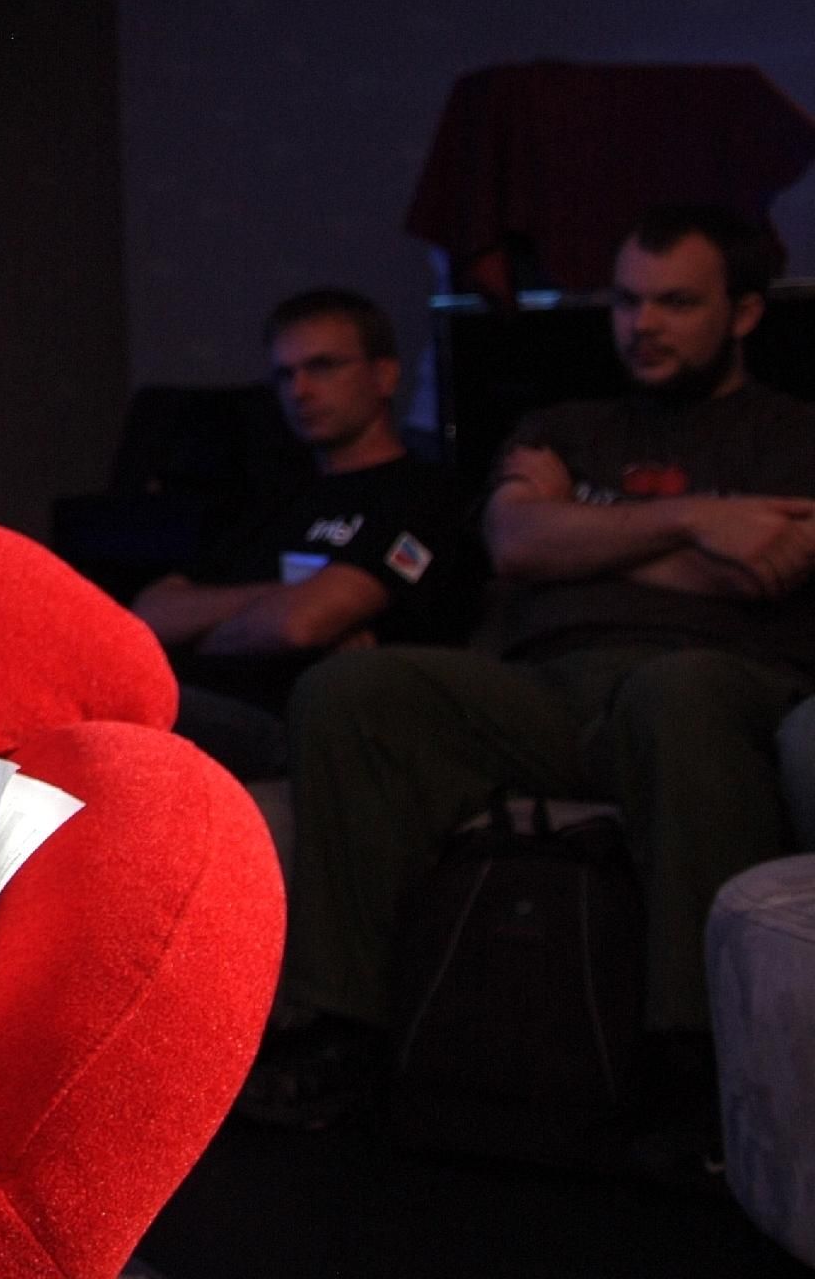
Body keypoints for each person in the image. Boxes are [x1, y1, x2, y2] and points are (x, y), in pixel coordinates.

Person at [249, 205, 815, 1143]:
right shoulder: (565, 427)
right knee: (352, 691)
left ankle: (693, 1067)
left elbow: (770, 568)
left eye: (676, 303)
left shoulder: (793, 437)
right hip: (545, 688)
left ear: (744, 312)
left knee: (677, 694)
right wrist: (701, 522)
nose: (643, 325)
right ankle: (341, 1033)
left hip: (715, 680)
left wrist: (584, 537)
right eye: (627, 302)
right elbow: (514, 541)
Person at [132, 288, 477, 781]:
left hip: (308, 724)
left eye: (323, 366)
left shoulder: (421, 494)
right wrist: (283, 599)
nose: (300, 390)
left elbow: (299, 625)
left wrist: (209, 632)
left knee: (119, 701)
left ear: (384, 375)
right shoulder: (275, 499)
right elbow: (150, 614)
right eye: (284, 374)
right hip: (217, 701)